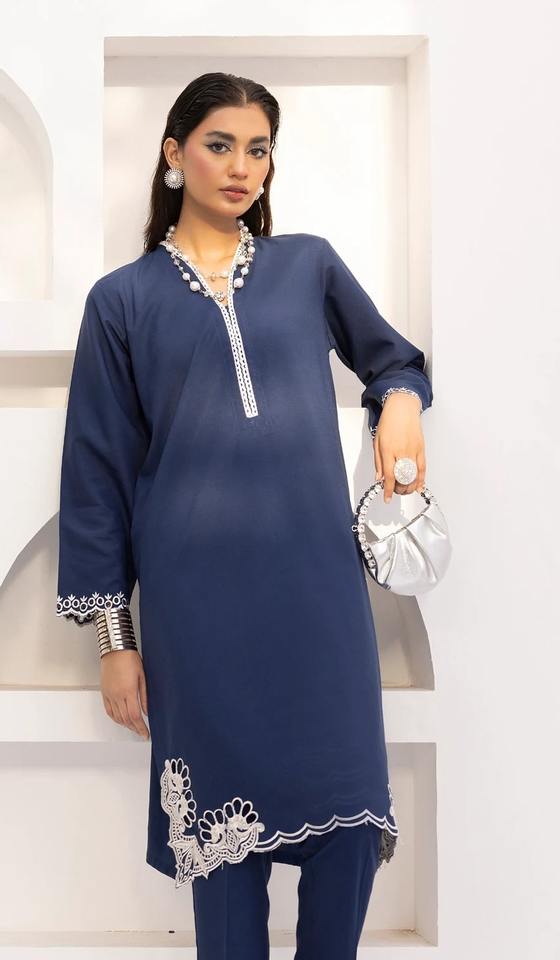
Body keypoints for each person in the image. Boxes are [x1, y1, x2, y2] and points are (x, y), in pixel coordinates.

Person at [56, 71, 432, 959]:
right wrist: (115, 644)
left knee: (349, 827)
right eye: (219, 145)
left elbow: (394, 361)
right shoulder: (122, 301)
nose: (240, 167)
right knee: (225, 859)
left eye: (258, 149)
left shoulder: (308, 266)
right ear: (174, 154)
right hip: (198, 610)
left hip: (318, 595)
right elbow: (97, 479)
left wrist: (400, 401)